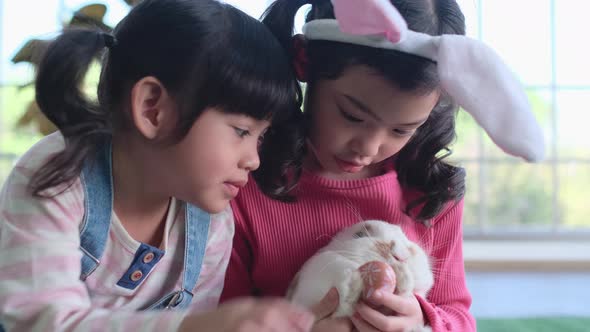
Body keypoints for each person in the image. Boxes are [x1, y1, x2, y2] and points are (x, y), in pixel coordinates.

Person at [0, 0, 330, 331]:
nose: (253, 159)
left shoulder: (211, 225)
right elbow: (38, 321)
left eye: (260, 137)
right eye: (241, 131)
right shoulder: (56, 176)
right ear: (152, 108)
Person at [221, 0, 544, 331]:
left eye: (401, 130)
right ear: (304, 60)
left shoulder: (431, 191)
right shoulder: (242, 179)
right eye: (352, 115)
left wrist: (422, 320)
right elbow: (218, 319)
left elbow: (457, 316)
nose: (368, 147)